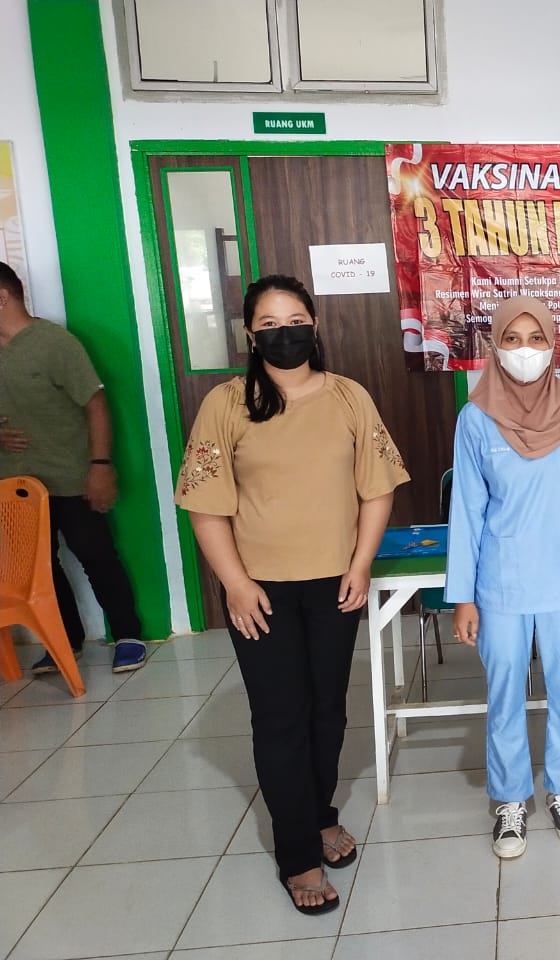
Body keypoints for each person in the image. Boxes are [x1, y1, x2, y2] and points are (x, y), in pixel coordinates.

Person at [175, 274, 408, 915]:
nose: (285, 333)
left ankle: (321, 813)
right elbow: (204, 505)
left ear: (314, 325)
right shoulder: (227, 403)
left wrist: (360, 563)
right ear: (251, 336)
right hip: (261, 591)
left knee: (327, 711)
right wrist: (235, 583)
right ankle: (298, 854)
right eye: (270, 325)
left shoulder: (349, 397)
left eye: (296, 320)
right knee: (281, 717)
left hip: (336, 583)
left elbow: (377, 488)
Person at [445, 295, 560, 861]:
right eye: (513, 339)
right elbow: (466, 511)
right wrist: (463, 596)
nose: (525, 351)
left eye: (537, 339)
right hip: (499, 582)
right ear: (495, 347)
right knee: (504, 693)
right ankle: (509, 799)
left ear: (553, 345)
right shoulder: (476, 418)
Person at [0, 261, 147, 674]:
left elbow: (95, 404)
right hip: (16, 486)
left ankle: (128, 635)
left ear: (2, 297)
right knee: (40, 568)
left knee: (95, 555)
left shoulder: (54, 343)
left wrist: (100, 466)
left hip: (70, 476)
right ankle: (65, 640)